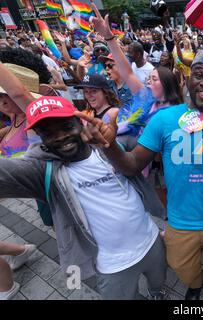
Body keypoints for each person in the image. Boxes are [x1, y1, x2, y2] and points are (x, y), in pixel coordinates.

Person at [80, 10, 203, 299]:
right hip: (179, 222)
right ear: (188, 80)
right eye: (199, 75)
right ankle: (195, 283)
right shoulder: (164, 120)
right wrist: (110, 145)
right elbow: (130, 165)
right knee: (184, 268)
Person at [0, 93, 168, 300]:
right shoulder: (42, 171)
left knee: (159, 284)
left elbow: (137, 165)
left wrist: (111, 145)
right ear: (40, 137)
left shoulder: (107, 146)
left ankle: (157, 294)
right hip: (113, 266)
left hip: (152, 242)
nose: (60, 136)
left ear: (80, 122)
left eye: (65, 126)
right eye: (48, 132)